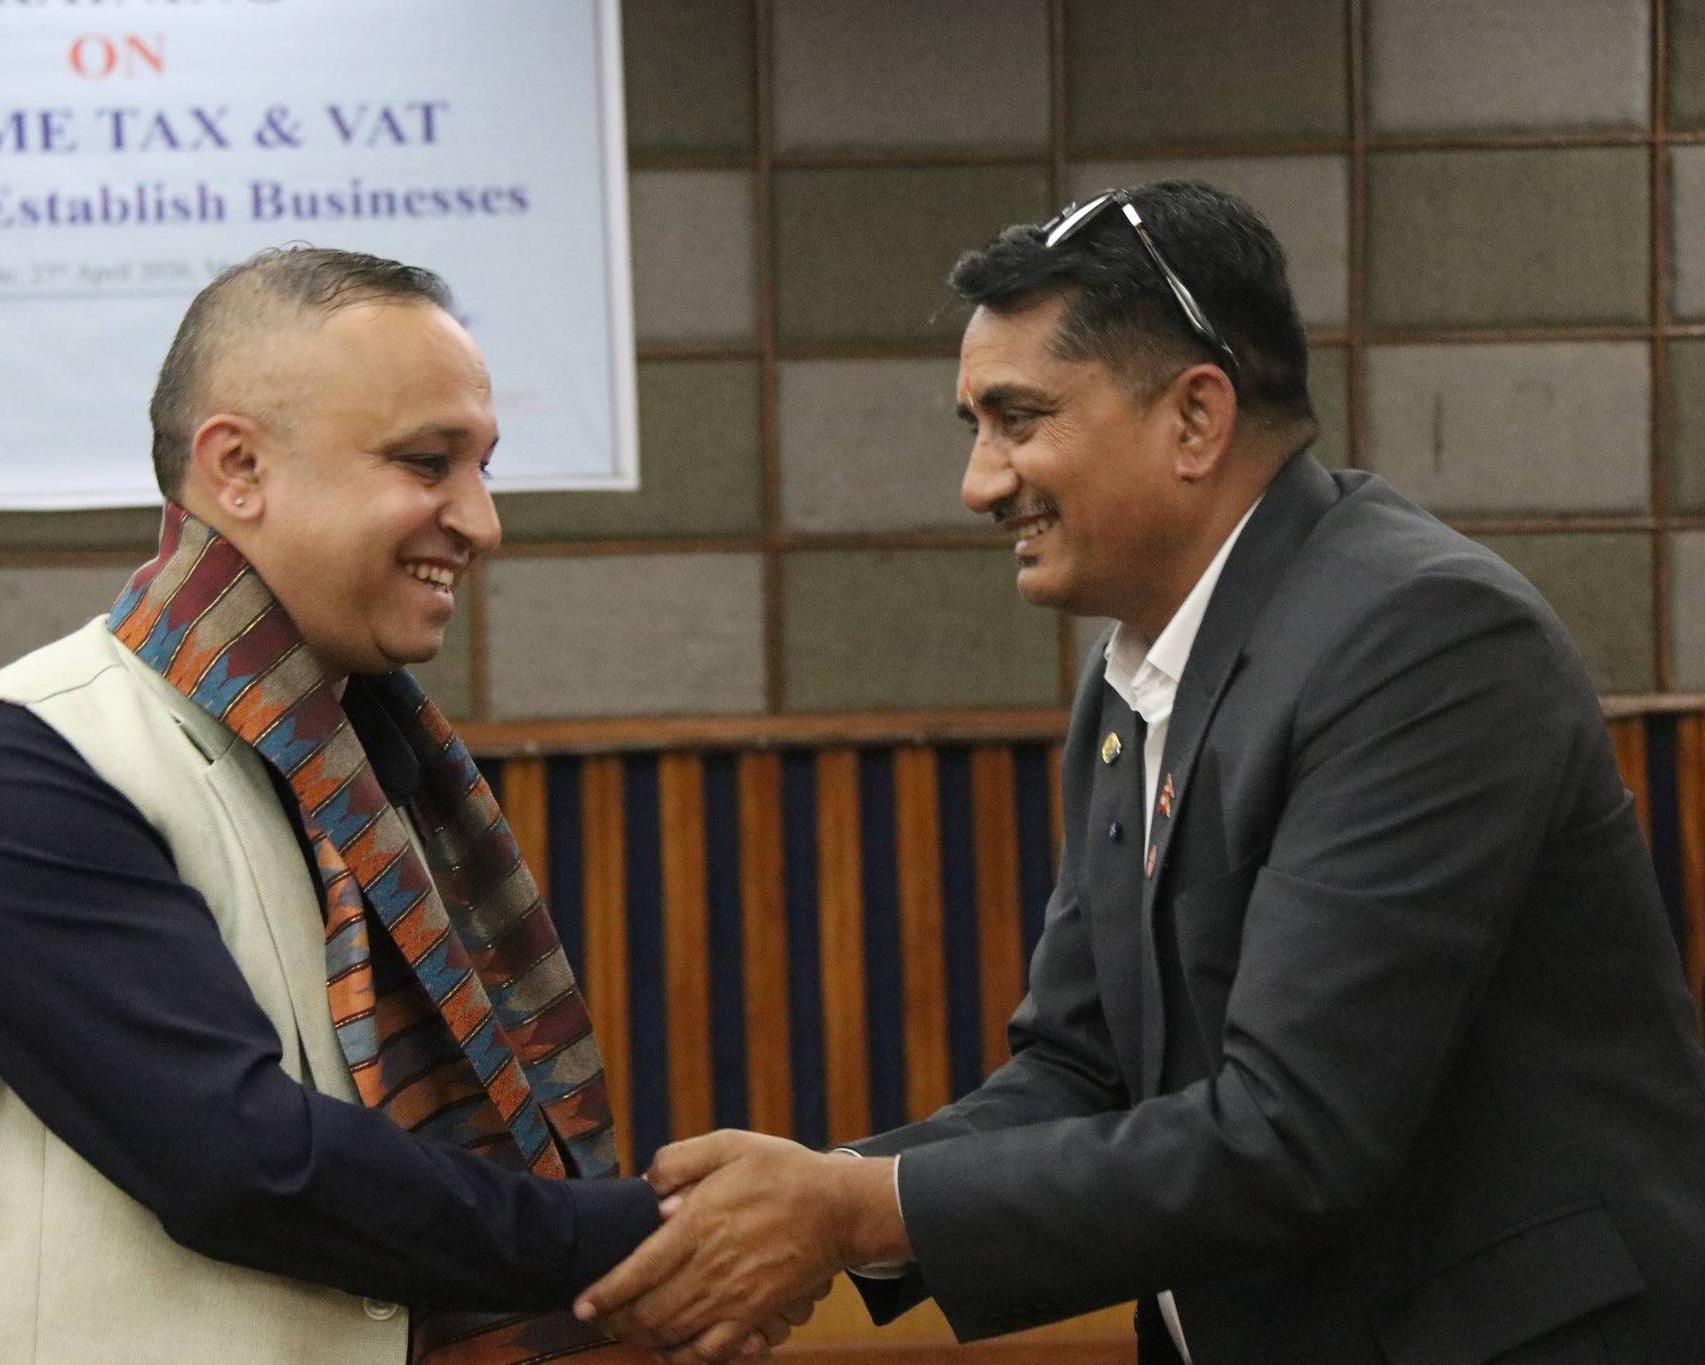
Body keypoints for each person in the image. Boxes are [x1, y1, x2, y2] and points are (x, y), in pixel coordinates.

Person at [574, 182, 1705, 1363]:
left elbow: (1293, 1135)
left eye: (1017, 419)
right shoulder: (1134, 672)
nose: (979, 482)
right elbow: (1084, 1068)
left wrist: (851, 1210)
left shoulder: (1421, 637)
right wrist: (822, 1197)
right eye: (976, 428)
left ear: (1195, 419)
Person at [0, 248, 684, 1363]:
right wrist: (647, 1235)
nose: (481, 521)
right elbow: (241, 1163)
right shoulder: (20, 760)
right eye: (427, 461)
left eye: (483, 467)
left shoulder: (371, 768)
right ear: (237, 467)